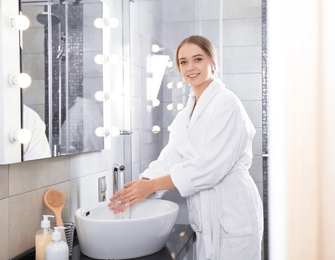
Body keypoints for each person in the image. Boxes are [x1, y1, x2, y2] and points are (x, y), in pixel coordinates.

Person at [108, 35, 263, 259]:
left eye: (197, 59)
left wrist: (152, 186)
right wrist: (139, 186)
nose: (190, 67)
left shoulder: (228, 104)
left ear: (213, 62)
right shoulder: (185, 115)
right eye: (183, 62)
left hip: (232, 212)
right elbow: (171, 156)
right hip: (206, 218)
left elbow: (208, 166)